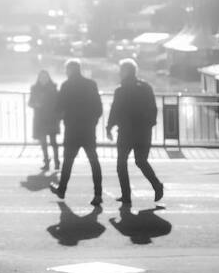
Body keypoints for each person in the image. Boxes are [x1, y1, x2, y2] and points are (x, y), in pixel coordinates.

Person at [106, 58, 164, 206]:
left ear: (125, 72)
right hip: (143, 132)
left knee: (121, 164)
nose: (119, 73)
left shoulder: (121, 89)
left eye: (121, 70)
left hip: (126, 132)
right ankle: (157, 185)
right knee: (141, 161)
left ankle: (126, 195)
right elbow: (153, 108)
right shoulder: (146, 87)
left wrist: (109, 127)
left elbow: (115, 110)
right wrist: (150, 125)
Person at [50, 58, 103, 207]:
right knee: (94, 161)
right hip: (88, 129)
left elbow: (58, 107)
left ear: (69, 70)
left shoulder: (66, 86)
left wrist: (59, 118)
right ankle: (98, 194)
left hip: (72, 129)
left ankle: (62, 189)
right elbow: (98, 107)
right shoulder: (91, 84)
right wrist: (93, 121)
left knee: (68, 161)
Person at [28, 69, 59, 170]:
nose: (43, 79)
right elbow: (30, 103)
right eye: (41, 77)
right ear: (39, 78)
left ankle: (57, 161)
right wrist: (35, 104)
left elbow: (58, 102)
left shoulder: (53, 88)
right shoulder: (34, 88)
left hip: (52, 118)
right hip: (40, 118)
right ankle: (46, 162)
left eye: (45, 77)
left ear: (48, 78)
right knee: (43, 142)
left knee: (53, 142)